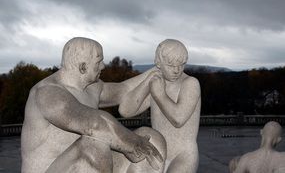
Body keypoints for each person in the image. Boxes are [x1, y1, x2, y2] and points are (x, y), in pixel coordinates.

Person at [21, 37, 164, 173]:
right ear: (82, 67)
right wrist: (132, 145)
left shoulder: (93, 88)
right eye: (98, 61)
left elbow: (124, 91)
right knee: (93, 144)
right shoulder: (47, 92)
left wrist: (159, 70)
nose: (103, 66)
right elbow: (95, 124)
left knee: (151, 138)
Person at [119, 39, 201, 173]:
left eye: (181, 65)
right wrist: (147, 83)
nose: (176, 70)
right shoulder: (157, 83)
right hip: (159, 152)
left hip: (184, 156)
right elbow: (125, 111)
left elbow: (178, 118)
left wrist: (159, 95)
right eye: (170, 65)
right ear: (158, 63)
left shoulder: (190, 83)